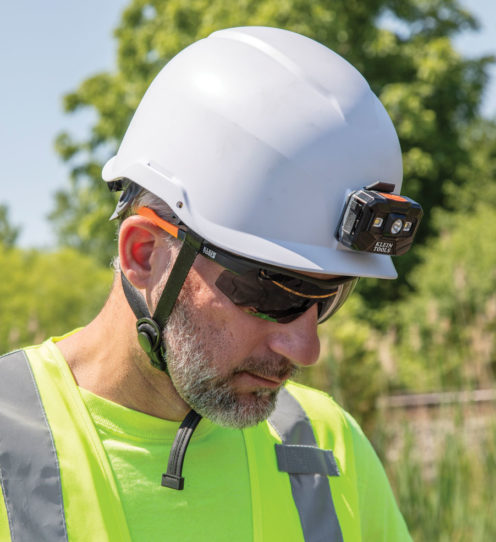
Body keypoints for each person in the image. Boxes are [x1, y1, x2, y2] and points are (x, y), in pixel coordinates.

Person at [0, 27, 421, 541]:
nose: (307, 349)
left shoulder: (328, 445)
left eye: (330, 295)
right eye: (276, 294)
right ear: (144, 254)